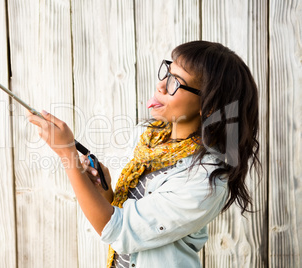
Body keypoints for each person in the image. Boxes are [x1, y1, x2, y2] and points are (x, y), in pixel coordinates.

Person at [26, 41, 261, 268]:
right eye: (167, 72)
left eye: (175, 82)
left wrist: (67, 155)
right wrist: (105, 189)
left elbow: (117, 231)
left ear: (208, 107)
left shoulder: (206, 180)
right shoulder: (147, 137)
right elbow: (126, 213)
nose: (161, 85)